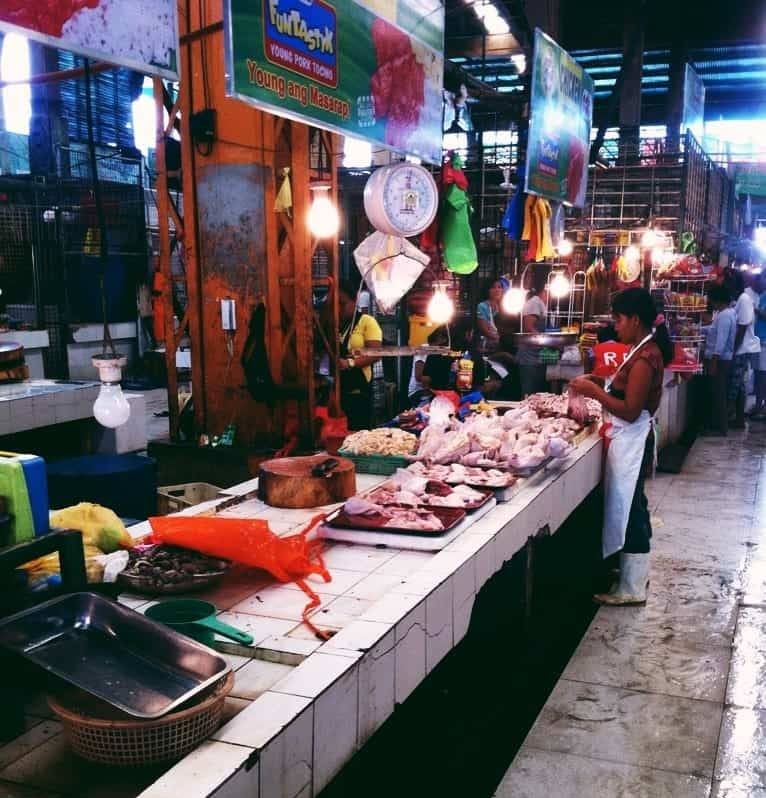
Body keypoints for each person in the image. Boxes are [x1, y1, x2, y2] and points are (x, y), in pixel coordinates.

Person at [569, 288, 673, 606]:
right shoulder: (638, 349)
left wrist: (593, 391)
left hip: (633, 439)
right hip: (626, 439)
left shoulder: (646, 357)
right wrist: (598, 383)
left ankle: (632, 587)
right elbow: (622, 389)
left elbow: (629, 409)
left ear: (635, 319)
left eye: (618, 319)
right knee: (632, 505)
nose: (615, 326)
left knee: (632, 509)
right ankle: (631, 574)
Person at [338, 281, 382, 430]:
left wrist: (349, 363)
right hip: (336, 388)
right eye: (334, 305)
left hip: (359, 387)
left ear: (354, 301)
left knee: (357, 430)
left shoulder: (367, 322)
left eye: (342, 304)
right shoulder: (333, 324)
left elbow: (376, 354)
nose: (338, 309)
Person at [726, 269, 761, 428]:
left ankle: (728, 419)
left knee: (735, 385)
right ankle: (737, 420)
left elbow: (743, 326)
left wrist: (733, 350)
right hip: (741, 348)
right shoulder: (740, 299)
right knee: (738, 385)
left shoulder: (744, 299)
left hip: (743, 349)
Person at [703, 283, 736, 436]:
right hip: (722, 359)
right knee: (718, 392)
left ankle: (721, 428)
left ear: (718, 300)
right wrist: (698, 329)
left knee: (718, 393)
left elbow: (720, 342)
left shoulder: (724, 316)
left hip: (719, 360)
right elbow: (713, 330)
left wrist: (714, 363)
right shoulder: (728, 314)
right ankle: (719, 426)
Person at [517, 288, 549, 396]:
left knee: (536, 394)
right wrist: (547, 341)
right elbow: (529, 328)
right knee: (528, 394)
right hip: (529, 357)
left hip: (537, 355)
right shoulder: (534, 303)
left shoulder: (540, 303)